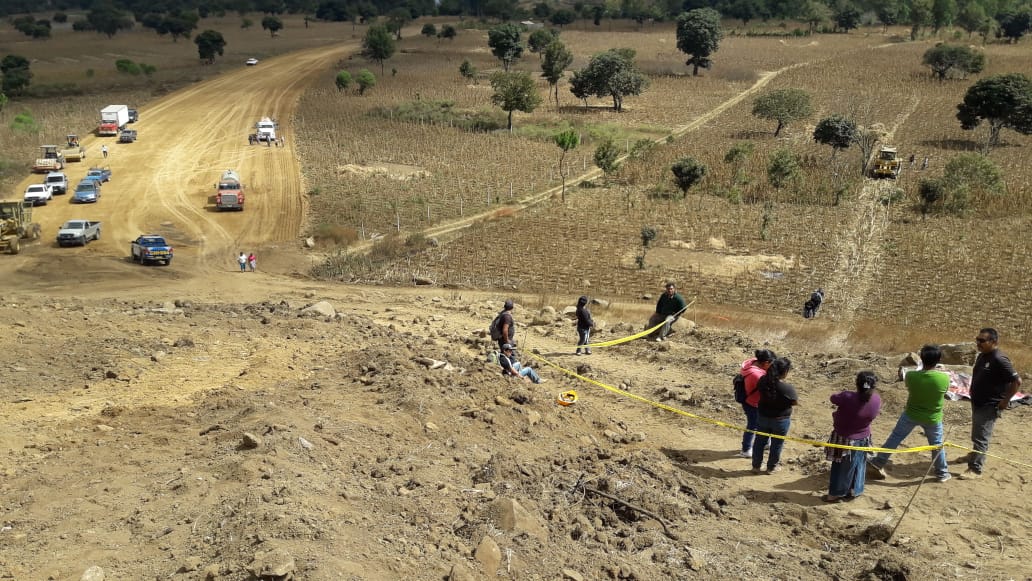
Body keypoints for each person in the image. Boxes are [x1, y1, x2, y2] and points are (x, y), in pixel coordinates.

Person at [867, 344, 951, 482]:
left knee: (895, 438)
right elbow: (945, 389)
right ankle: (942, 473)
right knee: (937, 445)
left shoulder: (911, 376)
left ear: (921, 359)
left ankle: (878, 462)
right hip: (933, 417)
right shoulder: (944, 378)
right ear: (938, 360)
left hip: (911, 414)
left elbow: (912, 383)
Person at [961, 328, 1022, 479]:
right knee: (977, 433)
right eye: (977, 339)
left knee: (981, 437)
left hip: (989, 404)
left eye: (982, 341)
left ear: (993, 342)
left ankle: (975, 469)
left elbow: (1017, 381)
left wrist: (1005, 401)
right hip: (978, 401)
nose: (978, 343)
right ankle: (974, 455)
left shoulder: (999, 359)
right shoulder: (983, 355)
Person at [824, 371, 882, 502]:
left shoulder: (847, 397)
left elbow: (833, 398)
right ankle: (855, 490)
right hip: (863, 437)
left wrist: (848, 393)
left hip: (844, 438)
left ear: (857, 384)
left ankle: (835, 494)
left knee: (840, 467)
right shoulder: (876, 399)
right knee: (858, 464)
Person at [751, 358, 796, 474]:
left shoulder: (762, 381)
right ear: (784, 372)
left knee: (759, 442)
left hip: (763, 417)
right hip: (780, 421)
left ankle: (756, 466)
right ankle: (771, 468)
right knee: (777, 444)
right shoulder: (788, 388)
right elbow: (794, 402)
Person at [738, 349, 777, 458]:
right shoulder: (756, 375)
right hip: (752, 403)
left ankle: (765, 443)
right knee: (753, 425)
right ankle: (746, 449)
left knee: (764, 422)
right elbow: (768, 387)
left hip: (751, 399)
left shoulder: (752, 362)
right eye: (771, 364)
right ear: (765, 363)